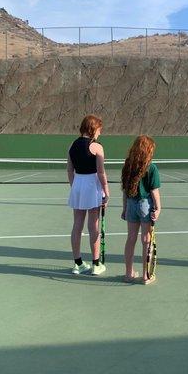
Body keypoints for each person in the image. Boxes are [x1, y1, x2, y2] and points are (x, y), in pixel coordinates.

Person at [67, 114, 110, 276]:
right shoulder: (97, 147)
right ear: (93, 129)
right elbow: (101, 172)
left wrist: (75, 187)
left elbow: (69, 170)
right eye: (99, 129)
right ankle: (96, 264)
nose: (100, 133)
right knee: (94, 226)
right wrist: (106, 191)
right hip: (93, 187)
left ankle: (77, 263)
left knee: (77, 224)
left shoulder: (72, 144)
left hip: (78, 185)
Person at [121, 135, 161, 285]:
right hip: (145, 205)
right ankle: (145, 275)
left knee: (131, 239)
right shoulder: (151, 167)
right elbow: (154, 191)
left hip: (131, 203)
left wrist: (125, 208)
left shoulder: (127, 165)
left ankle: (128, 274)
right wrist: (158, 208)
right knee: (146, 240)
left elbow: (125, 190)